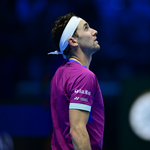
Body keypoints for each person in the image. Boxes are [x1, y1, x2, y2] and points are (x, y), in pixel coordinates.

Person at [48, 12, 104, 150]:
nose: (94, 32)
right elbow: (77, 131)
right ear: (73, 41)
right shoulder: (84, 76)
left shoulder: (59, 74)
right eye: (86, 28)